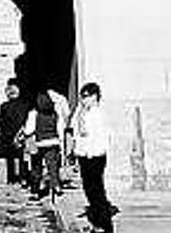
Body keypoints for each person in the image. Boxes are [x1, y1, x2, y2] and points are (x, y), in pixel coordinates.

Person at [70, 83, 115, 233]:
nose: (83, 100)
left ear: (95, 97)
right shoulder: (81, 112)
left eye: (86, 96)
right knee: (88, 189)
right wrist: (76, 152)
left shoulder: (99, 114)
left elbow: (102, 136)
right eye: (82, 97)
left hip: (95, 155)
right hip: (84, 155)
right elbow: (76, 133)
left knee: (97, 190)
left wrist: (95, 152)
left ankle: (105, 225)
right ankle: (96, 222)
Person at [22, 92, 63, 200]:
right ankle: (56, 185)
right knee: (53, 166)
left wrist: (25, 135)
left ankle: (35, 191)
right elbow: (60, 128)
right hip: (53, 142)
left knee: (36, 167)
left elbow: (29, 130)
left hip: (39, 143)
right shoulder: (55, 114)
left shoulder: (34, 114)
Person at [0, 78, 30, 184]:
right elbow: (26, 120)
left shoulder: (4, 106)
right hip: (21, 134)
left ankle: (10, 178)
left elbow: (0, 122)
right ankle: (23, 177)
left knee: (10, 158)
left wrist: (4, 131)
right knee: (22, 157)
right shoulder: (25, 105)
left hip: (8, 135)